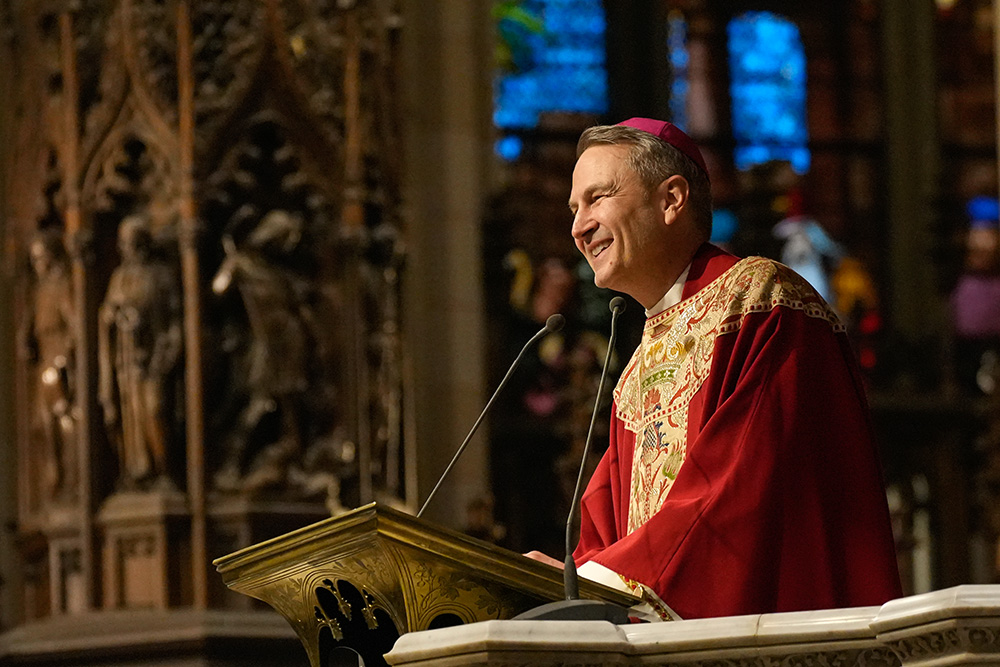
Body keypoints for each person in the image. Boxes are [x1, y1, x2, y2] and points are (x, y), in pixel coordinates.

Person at [526, 118, 902, 620]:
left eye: (598, 198)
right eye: (574, 208)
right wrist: (567, 579)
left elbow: (741, 486)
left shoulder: (761, 302)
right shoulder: (639, 365)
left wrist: (596, 582)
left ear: (671, 199)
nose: (578, 227)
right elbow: (603, 523)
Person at [99, 215, 183, 488]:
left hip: (155, 356)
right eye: (124, 244)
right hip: (127, 360)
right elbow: (107, 313)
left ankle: (164, 469)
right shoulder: (119, 277)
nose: (127, 249)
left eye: (132, 243)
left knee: (155, 409)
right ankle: (138, 471)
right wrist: (113, 316)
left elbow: (174, 318)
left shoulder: (161, 275)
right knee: (130, 414)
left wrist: (168, 353)